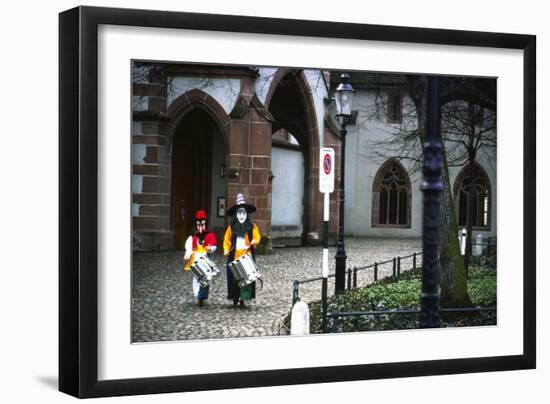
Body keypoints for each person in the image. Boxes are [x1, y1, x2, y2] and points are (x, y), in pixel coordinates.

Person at [223, 193, 261, 308]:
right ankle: (235, 297)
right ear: (236, 214)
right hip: (234, 255)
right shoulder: (231, 227)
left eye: (243, 212)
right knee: (234, 278)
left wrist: (254, 241)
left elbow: (257, 237)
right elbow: (226, 240)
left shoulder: (252, 226)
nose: (241, 215)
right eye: (239, 212)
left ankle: (243, 299)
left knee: (245, 279)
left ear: (246, 214)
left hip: (246, 255)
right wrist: (225, 249)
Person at [183, 210, 217, 306]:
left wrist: (210, 248)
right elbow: (189, 246)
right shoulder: (193, 237)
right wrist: (187, 254)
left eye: (202, 224)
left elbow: (214, 247)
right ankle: (198, 295)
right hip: (196, 260)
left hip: (205, 260)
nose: (200, 227)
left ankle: (201, 297)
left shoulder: (210, 235)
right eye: (199, 224)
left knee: (205, 278)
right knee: (196, 277)